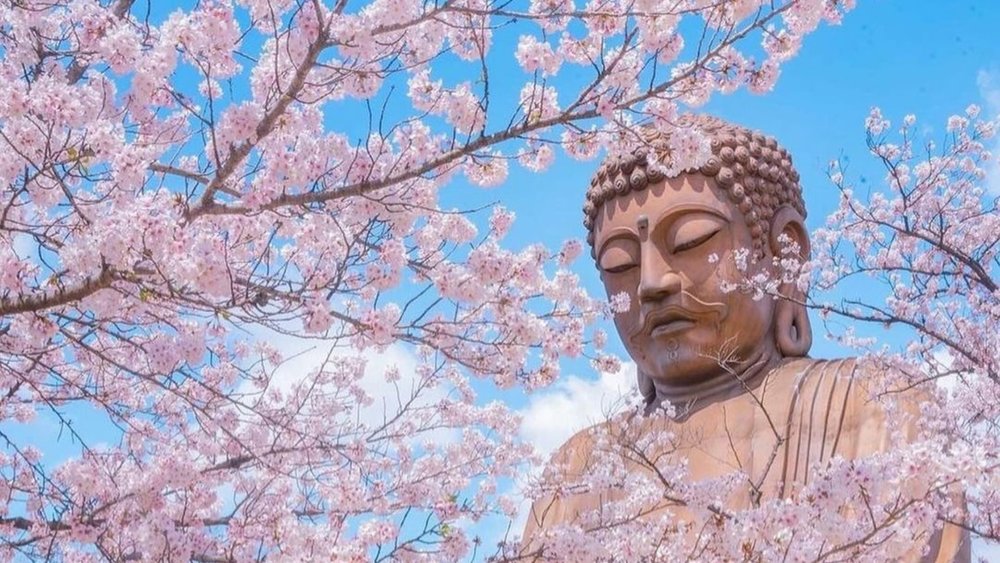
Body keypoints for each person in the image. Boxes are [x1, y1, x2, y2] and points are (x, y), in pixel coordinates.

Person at [521, 115, 969, 561]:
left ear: (783, 251)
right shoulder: (576, 469)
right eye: (620, 264)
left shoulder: (875, 403)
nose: (651, 283)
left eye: (690, 239)